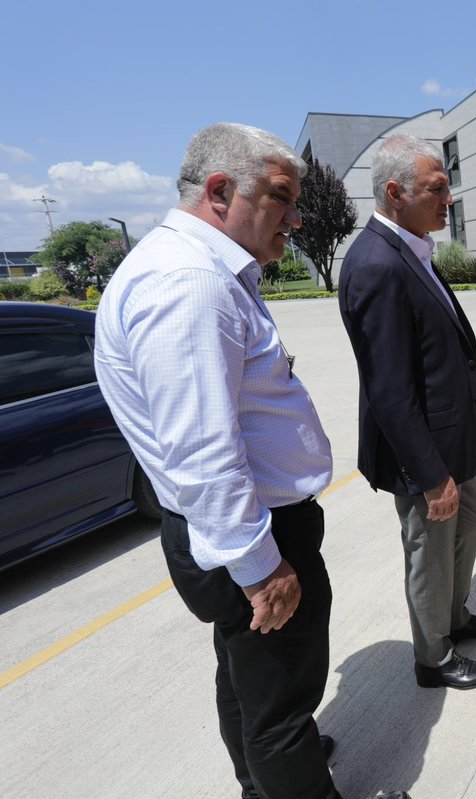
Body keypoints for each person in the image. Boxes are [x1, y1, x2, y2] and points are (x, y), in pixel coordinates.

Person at [94, 123, 409, 799]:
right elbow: (202, 450)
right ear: (218, 191)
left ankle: (261, 779)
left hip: (234, 529)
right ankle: (284, 772)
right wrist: (262, 567)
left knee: (246, 678)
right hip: (253, 532)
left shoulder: (199, 270)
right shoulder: (189, 285)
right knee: (279, 706)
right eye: (280, 197)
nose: (295, 217)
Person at [338, 134, 476, 691]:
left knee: (469, 528)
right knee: (430, 554)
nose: (448, 199)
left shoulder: (411, 250)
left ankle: (454, 618)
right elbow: (389, 389)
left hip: (452, 441)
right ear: (394, 192)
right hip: (424, 454)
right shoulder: (377, 265)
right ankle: (433, 657)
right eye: (437, 189)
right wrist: (431, 477)